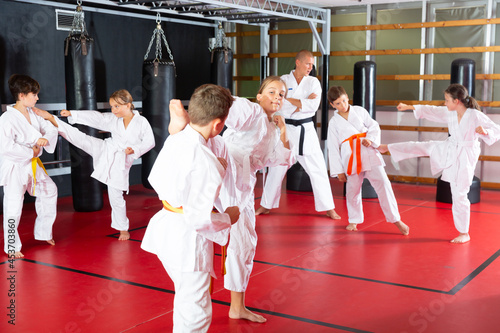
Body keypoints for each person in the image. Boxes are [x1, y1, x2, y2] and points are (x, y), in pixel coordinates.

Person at [168, 77, 295, 323]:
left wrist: (283, 130)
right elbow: (231, 106)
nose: (277, 97)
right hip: (228, 165)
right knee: (238, 238)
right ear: (258, 96)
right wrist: (212, 100)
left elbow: (282, 159)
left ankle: (235, 305)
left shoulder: (270, 127)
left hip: (237, 179)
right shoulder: (253, 111)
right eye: (272, 91)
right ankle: (186, 123)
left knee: (241, 240)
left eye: (282, 94)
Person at [141, 84, 240, 332]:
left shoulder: (177, 138)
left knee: (186, 297)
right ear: (218, 125)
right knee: (195, 312)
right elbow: (199, 219)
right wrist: (228, 217)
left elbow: (156, 177)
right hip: (188, 241)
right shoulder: (206, 162)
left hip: (165, 226)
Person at [378, 83, 500, 244]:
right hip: (450, 147)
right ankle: (388, 148)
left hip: (466, 156)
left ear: (457, 101)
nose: (445, 103)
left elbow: (496, 130)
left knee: (460, 194)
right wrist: (408, 106)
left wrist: (485, 132)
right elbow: (430, 110)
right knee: (424, 146)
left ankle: (464, 232)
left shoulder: (474, 115)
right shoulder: (450, 113)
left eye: (447, 100)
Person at [34, 89, 154, 241]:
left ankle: (123, 228)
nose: (113, 110)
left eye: (117, 106)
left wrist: (135, 149)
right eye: (112, 106)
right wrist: (72, 114)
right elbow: (97, 118)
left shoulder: (141, 122)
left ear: (128, 105)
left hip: (122, 158)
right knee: (80, 138)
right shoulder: (113, 119)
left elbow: (150, 142)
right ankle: (53, 120)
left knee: (115, 196)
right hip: (107, 148)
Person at [255, 50, 340, 220]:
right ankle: (265, 205)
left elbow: (313, 106)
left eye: (312, 64)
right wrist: (302, 102)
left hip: (306, 130)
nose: (310, 67)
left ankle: (329, 207)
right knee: (277, 168)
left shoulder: (314, 82)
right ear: (298, 62)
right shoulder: (284, 81)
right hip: (286, 129)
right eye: (307, 63)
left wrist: (293, 101)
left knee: (318, 169)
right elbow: (279, 104)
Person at [326, 86, 409, 235]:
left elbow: (374, 126)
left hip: (368, 151)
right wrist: (338, 171)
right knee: (352, 190)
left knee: (384, 183)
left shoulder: (359, 111)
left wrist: (370, 139)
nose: (343, 105)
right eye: (338, 103)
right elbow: (332, 147)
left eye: (344, 100)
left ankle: (396, 219)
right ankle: (354, 220)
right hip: (350, 157)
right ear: (332, 105)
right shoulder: (334, 122)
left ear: (347, 97)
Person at [0, 74, 58, 259]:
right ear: (22, 95)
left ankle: (43, 233)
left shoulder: (33, 113)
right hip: (16, 166)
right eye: (34, 95)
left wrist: (45, 139)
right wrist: (31, 151)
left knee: (49, 190)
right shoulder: (7, 118)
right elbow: (5, 146)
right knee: (13, 206)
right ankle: (11, 245)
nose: (37, 98)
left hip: (32, 165)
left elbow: (50, 128)